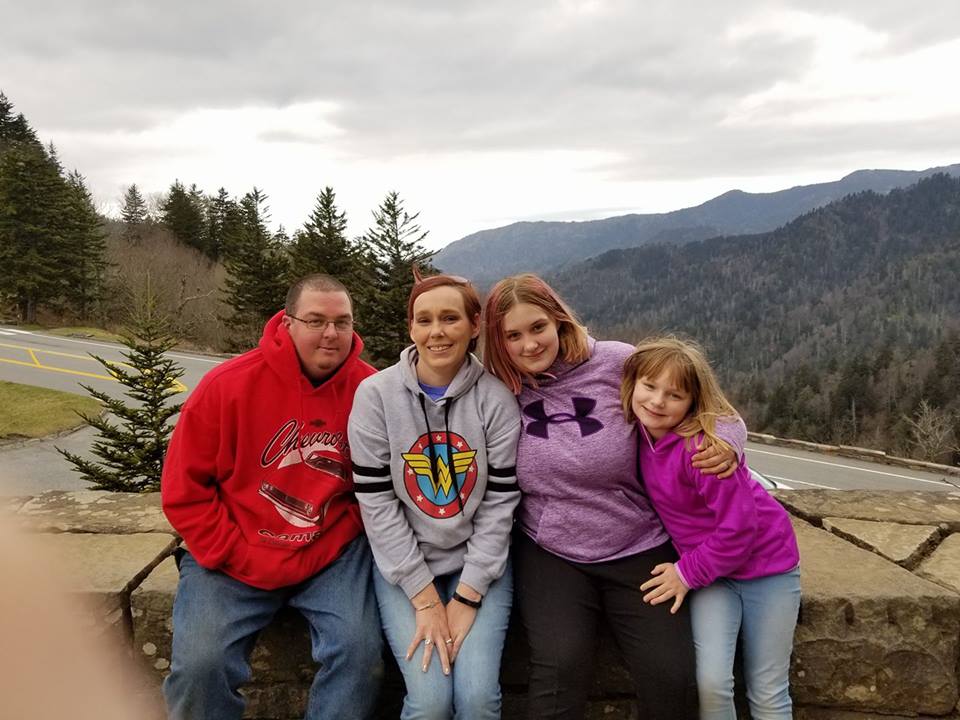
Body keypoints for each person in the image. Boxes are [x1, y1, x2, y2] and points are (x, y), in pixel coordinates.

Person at [482, 273, 747, 720]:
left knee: (672, 676)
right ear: (498, 340)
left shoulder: (617, 362)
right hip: (551, 551)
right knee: (559, 668)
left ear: (559, 320)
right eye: (513, 335)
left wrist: (728, 443)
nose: (529, 344)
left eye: (538, 327)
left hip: (637, 542)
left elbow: (708, 406)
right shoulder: (498, 388)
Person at [160, 273, 383, 720]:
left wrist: (343, 533)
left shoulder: (374, 390)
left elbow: (378, 490)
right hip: (233, 552)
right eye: (316, 320)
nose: (331, 334)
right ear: (287, 323)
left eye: (342, 322)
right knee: (200, 665)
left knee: (362, 657)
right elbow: (184, 491)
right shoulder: (226, 386)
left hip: (330, 554)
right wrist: (233, 553)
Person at [349, 271, 521, 719]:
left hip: (479, 565)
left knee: (478, 700)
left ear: (475, 325)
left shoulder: (496, 401)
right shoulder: (376, 396)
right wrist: (424, 599)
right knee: (429, 702)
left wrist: (467, 597)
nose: (437, 332)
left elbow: (500, 505)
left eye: (449, 318)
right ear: (411, 328)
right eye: (423, 320)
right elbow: (377, 502)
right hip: (405, 566)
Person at [622, 336, 801, 720]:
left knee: (768, 689)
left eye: (674, 395)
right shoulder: (635, 435)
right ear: (632, 385)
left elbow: (739, 529)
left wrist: (685, 573)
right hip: (713, 577)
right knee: (713, 683)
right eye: (649, 387)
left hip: (767, 568)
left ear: (692, 403)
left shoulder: (701, 452)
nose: (656, 402)